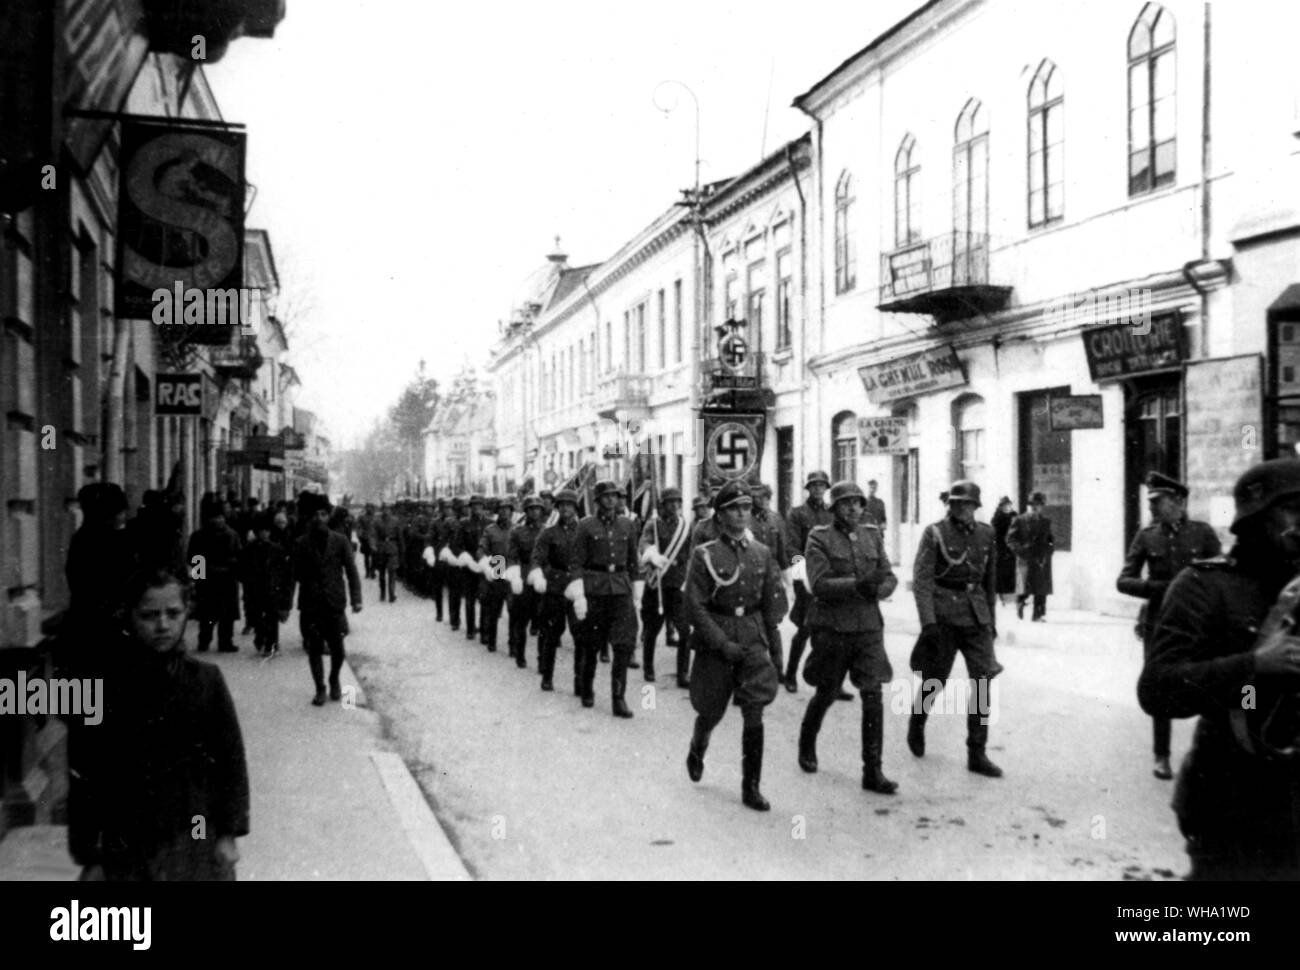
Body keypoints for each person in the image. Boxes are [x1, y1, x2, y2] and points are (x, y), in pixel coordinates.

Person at [1138, 458, 1300, 880]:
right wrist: (1255, 665)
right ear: (1257, 517)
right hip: (1231, 802)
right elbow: (1158, 688)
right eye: (1294, 510)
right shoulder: (1204, 586)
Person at [69, 568, 249, 881]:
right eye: (149, 615)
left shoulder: (206, 681)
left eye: (173, 613)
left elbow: (231, 761)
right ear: (130, 616)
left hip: (192, 830)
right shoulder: (105, 688)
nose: (163, 625)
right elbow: (86, 774)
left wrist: (228, 834)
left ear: (186, 614)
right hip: (128, 838)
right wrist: (90, 855)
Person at [684, 480, 787, 811]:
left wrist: (776, 650)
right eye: (734, 508)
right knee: (711, 710)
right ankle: (698, 745)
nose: (742, 514)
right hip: (719, 638)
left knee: (754, 711)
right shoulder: (705, 555)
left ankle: (751, 787)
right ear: (721, 514)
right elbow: (695, 606)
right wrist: (720, 642)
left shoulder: (762, 553)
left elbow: (771, 606)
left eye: (746, 508)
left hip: (753, 637)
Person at [796, 481, 899, 794]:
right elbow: (819, 583)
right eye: (846, 503)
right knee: (826, 691)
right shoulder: (819, 537)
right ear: (833, 508)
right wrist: (858, 584)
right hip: (834, 628)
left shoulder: (872, 534)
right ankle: (807, 741)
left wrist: (877, 590)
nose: (853, 508)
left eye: (857, 503)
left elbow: (888, 576)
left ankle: (873, 770)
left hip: (868, 627)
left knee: (873, 694)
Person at [1120, 471, 1222, 781]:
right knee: (1160, 684)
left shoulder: (1203, 534)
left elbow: (1221, 576)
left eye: (1157, 501)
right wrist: (1159, 588)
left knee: (1211, 682)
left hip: (1198, 622)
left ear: (1178, 501)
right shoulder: (1146, 535)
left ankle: (1209, 752)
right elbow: (1124, 580)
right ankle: (1161, 756)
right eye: (1149, 502)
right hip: (1159, 622)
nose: (1150, 507)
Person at [907, 480, 1003, 777]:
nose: (962, 509)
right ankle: (917, 722)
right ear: (949, 505)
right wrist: (928, 624)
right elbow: (922, 580)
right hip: (944, 615)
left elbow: (990, 580)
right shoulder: (935, 533)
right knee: (935, 679)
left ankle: (977, 752)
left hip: (976, 616)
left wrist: (991, 622)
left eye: (967, 504)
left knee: (983, 682)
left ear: (976, 507)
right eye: (956, 503)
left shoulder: (987, 533)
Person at [289, 490, 363, 706]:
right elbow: (292, 575)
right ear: (309, 518)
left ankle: (334, 679)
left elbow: (351, 572)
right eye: (315, 515)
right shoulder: (301, 543)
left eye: (323, 514)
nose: (319, 519)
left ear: (328, 516)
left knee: (338, 649)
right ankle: (320, 687)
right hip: (311, 604)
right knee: (314, 648)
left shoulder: (340, 541)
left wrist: (356, 598)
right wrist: (285, 604)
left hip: (334, 603)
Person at [572, 481, 640, 717]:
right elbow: (577, 562)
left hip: (620, 589)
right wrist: (579, 593)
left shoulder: (628, 525)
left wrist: (637, 592)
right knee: (591, 643)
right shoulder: (585, 526)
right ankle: (587, 688)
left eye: (615, 496)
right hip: (595, 589)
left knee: (622, 646)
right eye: (606, 496)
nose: (612, 500)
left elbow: (633, 561)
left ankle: (618, 698)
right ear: (598, 499)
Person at [638, 487, 691, 685]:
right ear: (663, 505)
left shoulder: (686, 526)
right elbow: (644, 544)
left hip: (677, 584)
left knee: (685, 630)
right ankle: (648, 667)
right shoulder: (654, 524)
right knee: (652, 629)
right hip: (657, 584)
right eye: (670, 502)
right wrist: (653, 554)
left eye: (678, 502)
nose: (675, 506)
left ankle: (683, 674)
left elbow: (692, 551)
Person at [531, 489, 582, 693]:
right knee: (551, 633)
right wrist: (537, 575)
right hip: (554, 587)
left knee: (581, 635)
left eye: (569, 505)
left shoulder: (583, 531)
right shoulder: (548, 533)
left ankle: (580, 682)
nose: (565, 509)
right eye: (561, 505)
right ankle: (547, 676)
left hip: (578, 586)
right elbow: (535, 557)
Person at [186, 493, 242, 653]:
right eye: (215, 517)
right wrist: (198, 580)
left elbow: (239, 557)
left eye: (220, 517)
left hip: (220, 580)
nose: (218, 520)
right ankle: (211, 641)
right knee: (212, 616)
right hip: (215, 581)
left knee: (220, 616)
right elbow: (195, 559)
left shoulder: (230, 535)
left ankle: (218, 641)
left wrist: (234, 571)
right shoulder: (201, 536)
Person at [239, 510, 294, 657]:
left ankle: (272, 644)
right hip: (255, 588)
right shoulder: (249, 549)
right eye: (261, 531)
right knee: (257, 617)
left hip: (272, 589)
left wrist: (284, 594)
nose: (264, 534)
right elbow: (242, 568)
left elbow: (285, 572)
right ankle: (260, 638)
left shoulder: (277, 549)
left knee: (272, 618)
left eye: (267, 531)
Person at [507, 496, 545, 669]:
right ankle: (519, 653)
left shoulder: (546, 531)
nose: (535, 512)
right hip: (522, 577)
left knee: (543, 620)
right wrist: (508, 576)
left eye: (538, 509)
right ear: (525, 511)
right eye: (531, 509)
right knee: (520, 619)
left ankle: (542, 659)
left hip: (542, 578)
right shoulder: (516, 531)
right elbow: (509, 556)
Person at [1006, 492, 1054, 621]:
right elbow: (1010, 539)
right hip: (1025, 558)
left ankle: (1038, 614)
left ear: (1042, 507)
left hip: (1041, 558)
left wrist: (1048, 552)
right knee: (1024, 586)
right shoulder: (1019, 520)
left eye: (1038, 505)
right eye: (1032, 505)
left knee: (1041, 588)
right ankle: (1020, 603)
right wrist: (1020, 550)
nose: (1035, 507)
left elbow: (1050, 540)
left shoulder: (1045, 522)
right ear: (1028, 506)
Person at [477, 495, 515, 653]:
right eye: (501, 509)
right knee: (494, 609)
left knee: (514, 611)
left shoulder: (517, 529)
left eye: (507, 509)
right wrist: (485, 563)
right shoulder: (490, 530)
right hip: (498, 568)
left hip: (513, 571)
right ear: (497, 512)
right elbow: (481, 549)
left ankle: (513, 645)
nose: (504, 512)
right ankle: (491, 640)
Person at [454, 495, 489, 640]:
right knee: (470, 599)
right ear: (470, 507)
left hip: (486, 565)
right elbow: (456, 546)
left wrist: (498, 572)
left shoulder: (490, 523)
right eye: (474, 505)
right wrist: (466, 558)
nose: (477, 508)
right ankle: (470, 629)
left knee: (486, 599)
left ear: (483, 507)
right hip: (470, 565)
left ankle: (485, 631)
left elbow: (497, 546)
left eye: (479, 505)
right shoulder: (464, 524)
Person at [991, 496, 1018, 606]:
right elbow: (995, 533)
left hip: (1009, 548)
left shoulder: (1012, 515)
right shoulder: (998, 517)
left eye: (1008, 504)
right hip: (1001, 548)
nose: (1007, 507)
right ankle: (1002, 597)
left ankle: (1008, 596)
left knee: (1009, 572)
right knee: (1001, 573)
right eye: (1005, 505)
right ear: (1001, 506)